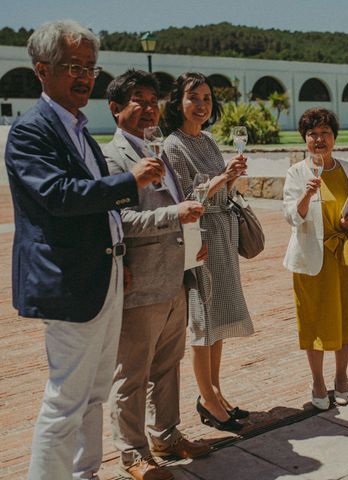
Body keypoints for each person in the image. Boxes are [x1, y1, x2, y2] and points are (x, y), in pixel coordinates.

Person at [5, 20, 164, 479]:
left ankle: (85, 473)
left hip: (105, 276)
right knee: (65, 402)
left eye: (91, 68)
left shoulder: (77, 125)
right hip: (70, 281)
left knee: (95, 394)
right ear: (41, 69)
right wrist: (129, 182)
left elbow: (95, 203)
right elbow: (59, 195)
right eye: (73, 66)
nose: (85, 77)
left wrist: (118, 255)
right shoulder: (31, 131)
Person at [103, 69, 211, 480]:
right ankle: (132, 454)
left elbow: (177, 203)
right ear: (115, 109)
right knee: (131, 374)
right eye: (139, 100)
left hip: (174, 278)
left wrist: (190, 238)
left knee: (168, 365)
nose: (150, 108)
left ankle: (165, 435)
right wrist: (174, 216)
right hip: (140, 280)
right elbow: (118, 218)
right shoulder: (112, 157)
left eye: (153, 101)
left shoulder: (158, 150)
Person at [163, 72, 251, 432]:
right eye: (193, 97)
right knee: (202, 321)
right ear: (178, 102)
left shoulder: (211, 141)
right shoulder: (172, 145)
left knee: (220, 318)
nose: (201, 105)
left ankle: (215, 391)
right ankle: (207, 399)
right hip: (200, 239)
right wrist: (221, 178)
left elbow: (223, 195)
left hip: (223, 232)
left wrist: (231, 179)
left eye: (206, 98)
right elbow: (185, 199)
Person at [283, 108, 348, 410]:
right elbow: (291, 216)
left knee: (345, 316)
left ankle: (342, 378)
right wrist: (305, 195)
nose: (319, 139)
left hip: (344, 255)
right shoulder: (297, 172)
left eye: (325, 133)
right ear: (305, 139)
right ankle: (318, 380)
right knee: (313, 319)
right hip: (311, 257)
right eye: (313, 134)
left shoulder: (346, 169)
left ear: (334, 137)